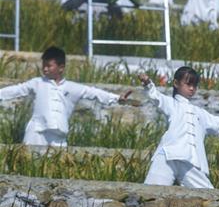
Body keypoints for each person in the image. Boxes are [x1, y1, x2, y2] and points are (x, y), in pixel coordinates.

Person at [138, 68, 219, 189]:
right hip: (167, 155)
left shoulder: (201, 113)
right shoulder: (171, 104)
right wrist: (148, 84)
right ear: (176, 84)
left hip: (190, 161)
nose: (192, 88)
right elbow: (156, 97)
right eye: (188, 84)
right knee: (149, 193)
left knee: (208, 195)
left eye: (194, 85)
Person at [0, 47, 130, 146]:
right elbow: (17, 90)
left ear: (61, 67)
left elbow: (94, 93)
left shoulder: (72, 87)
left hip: (59, 135)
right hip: (36, 133)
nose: (45, 69)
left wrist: (117, 98)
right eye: (43, 66)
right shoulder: (37, 83)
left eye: (49, 66)